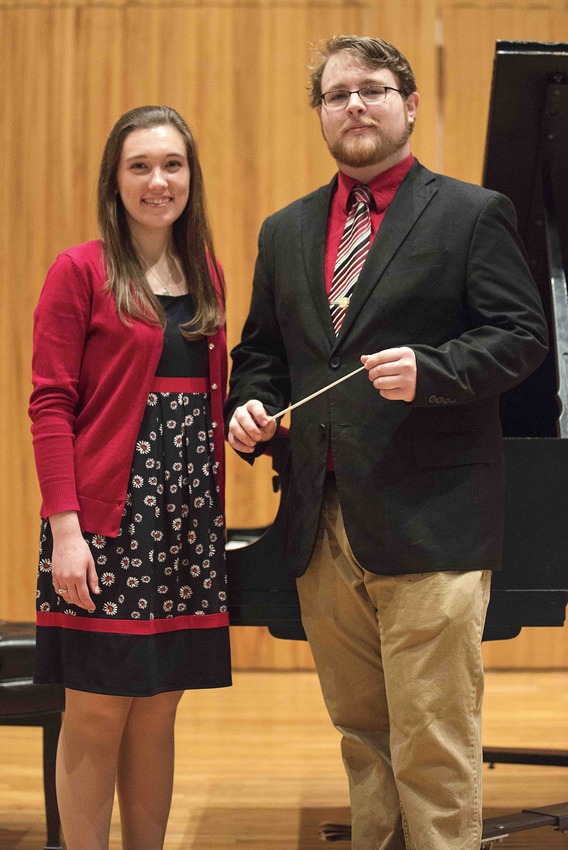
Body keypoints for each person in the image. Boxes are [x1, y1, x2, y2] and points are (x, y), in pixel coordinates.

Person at [225, 35, 548, 850]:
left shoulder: (473, 213)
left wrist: (436, 368)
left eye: (372, 90)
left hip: (433, 518)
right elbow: (262, 353)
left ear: (407, 104)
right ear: (323, 116)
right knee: (363, 739)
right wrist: (251, 406)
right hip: (321, 521)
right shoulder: (286, 229)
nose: (355, 106)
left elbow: (521, 336)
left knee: (435, 742)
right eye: (337, 95)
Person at [29, 105, 230, 850]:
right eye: (139, 167)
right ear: (115, 183)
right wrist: (66, 532)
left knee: (158, 703)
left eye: (172, 165)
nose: (158, 181)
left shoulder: (206, 271)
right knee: (97, 706)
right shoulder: (78, 269)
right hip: (104, 519)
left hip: (185, 520)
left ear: (190, 176)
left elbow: (204, 396)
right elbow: (50, 405)